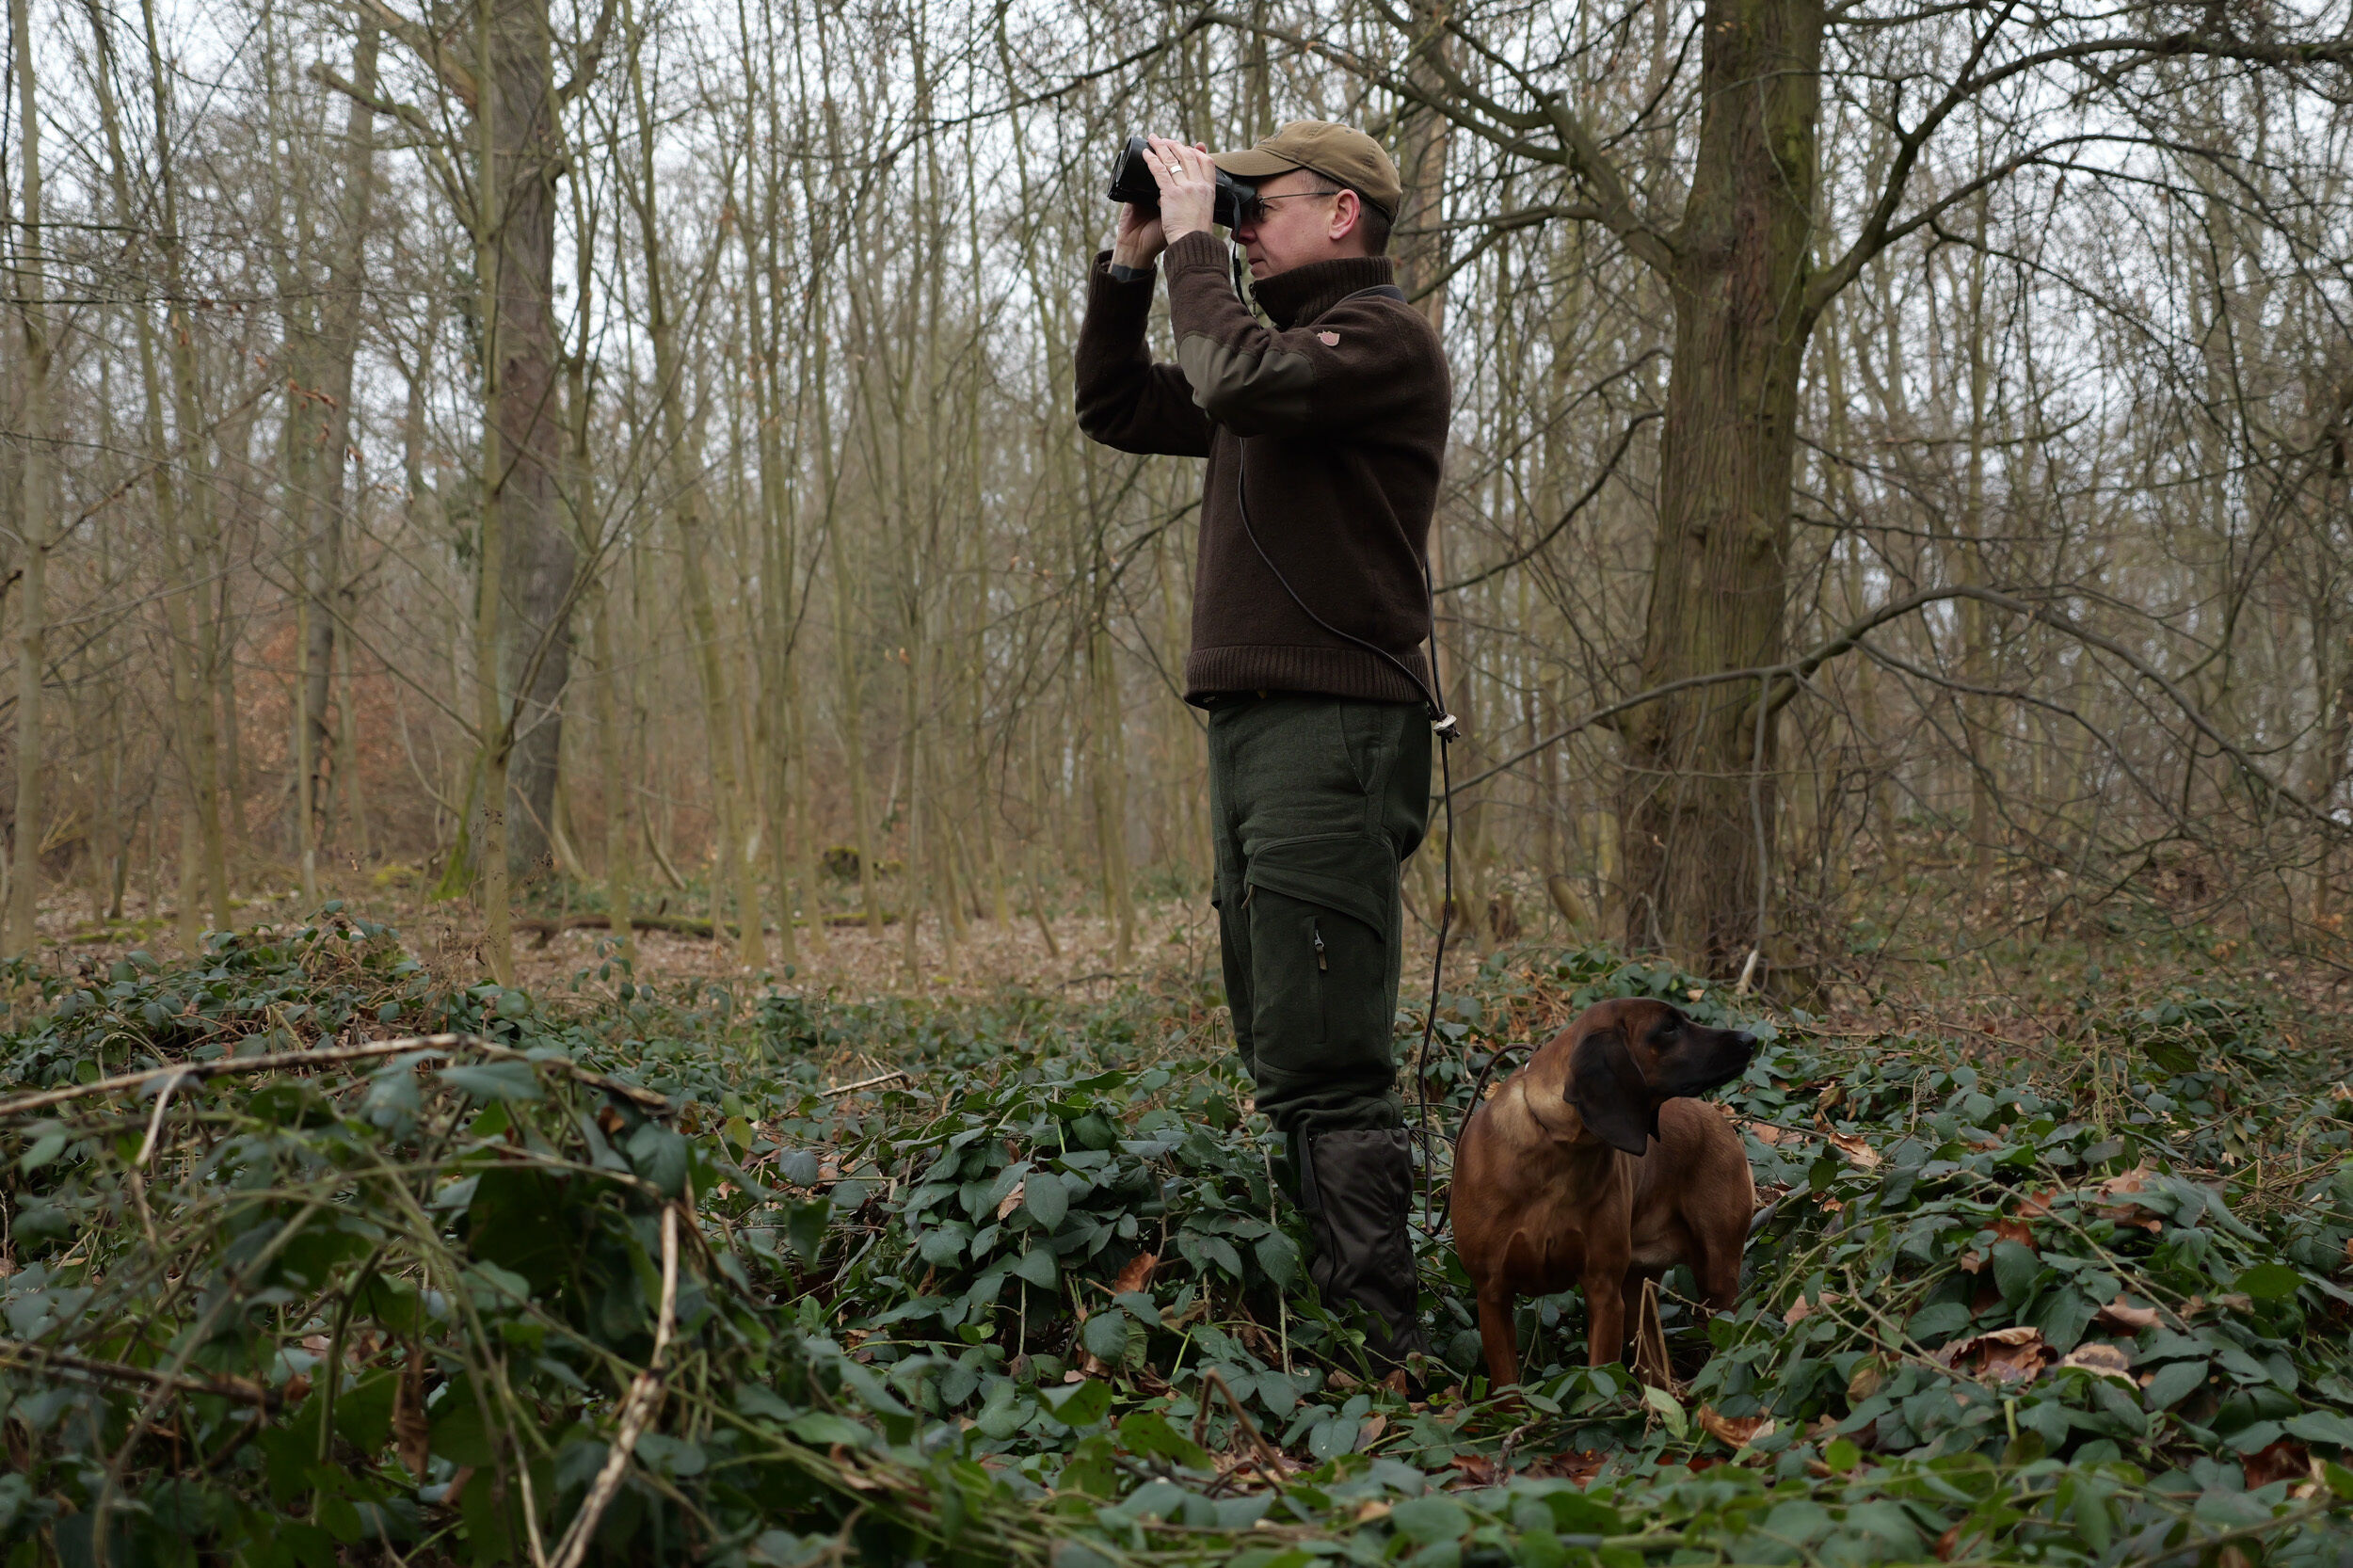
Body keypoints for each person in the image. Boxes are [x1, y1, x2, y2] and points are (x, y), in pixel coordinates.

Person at [1074, 122, 1452, 1370]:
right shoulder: (1280, 363)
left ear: (1343, 213)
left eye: (1258, 202)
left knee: (1329, 1053)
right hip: (1261, 730)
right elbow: (1119, 403)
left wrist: (1195, 248)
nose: (1237, 221)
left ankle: (1379, 1357)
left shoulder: (1380, 345)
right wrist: (1132, 263)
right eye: (1227, 205)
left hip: (1334, 729)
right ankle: (1340, 1337)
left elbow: (1236, 379)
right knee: (1285, 1041)